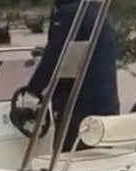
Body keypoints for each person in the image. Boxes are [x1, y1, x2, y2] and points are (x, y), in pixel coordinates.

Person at [25, 0, 120, 152]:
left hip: (79, 108)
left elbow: (55, 56)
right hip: (107, 106)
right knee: (98, 159)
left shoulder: (68, 14)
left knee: (63, 162)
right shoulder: (98, 11)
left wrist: (33, 90)